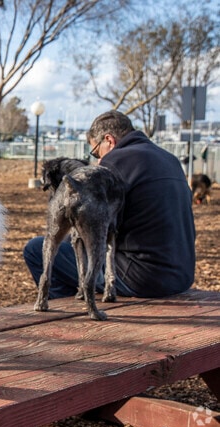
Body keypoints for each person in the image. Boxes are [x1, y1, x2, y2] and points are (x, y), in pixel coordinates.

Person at [23, 110, 196, 299]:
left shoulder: (114, 163)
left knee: (36, 249)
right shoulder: (169, 159)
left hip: (142, 277)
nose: (98, 160)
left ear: (109, 141)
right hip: (182, 275)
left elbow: (92, 228)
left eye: (96, 151)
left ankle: (66, 314)